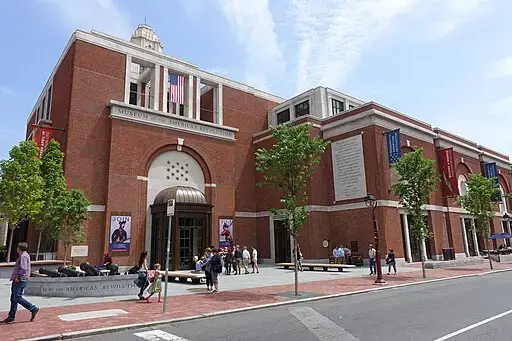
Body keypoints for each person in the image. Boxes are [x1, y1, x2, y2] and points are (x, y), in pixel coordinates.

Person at [2, 242, 39, 323]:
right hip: (20, 279)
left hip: (20, 280)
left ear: (19, 248)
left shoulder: (23, 256)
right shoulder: (26, 256)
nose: (16, 249)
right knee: (13, 298)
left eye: (17, 247)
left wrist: (18, 277)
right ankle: (11, 316)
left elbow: (23, 268)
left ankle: (33, 308)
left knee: (17, 297)